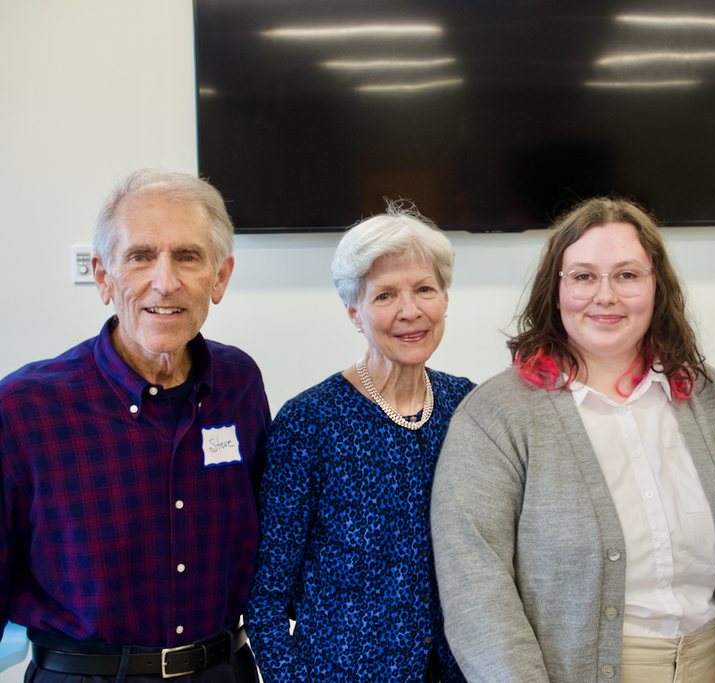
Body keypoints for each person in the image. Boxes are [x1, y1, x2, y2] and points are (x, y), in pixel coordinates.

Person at [432, 197, 715, 683]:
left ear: (656, 287)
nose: (606, 296)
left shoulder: (711, 397)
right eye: (582, 276)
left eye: (627, 275)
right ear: (555, 291)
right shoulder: (495, 417)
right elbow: (476, 587)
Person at [0, 170, 270, 682]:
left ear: (220, 277)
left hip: (222, 670)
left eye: (188, 257)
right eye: (140, 256)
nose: (165, 282)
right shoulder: (24, 409)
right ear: (104, 276)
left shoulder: (240, 384)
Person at [245, 204, 474, 681]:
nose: (410, 311)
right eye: (385, 295)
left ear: (445, 299)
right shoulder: (310, 421)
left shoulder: (466, 406)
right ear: (354, 311)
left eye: (425, 289)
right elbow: (264, 598)